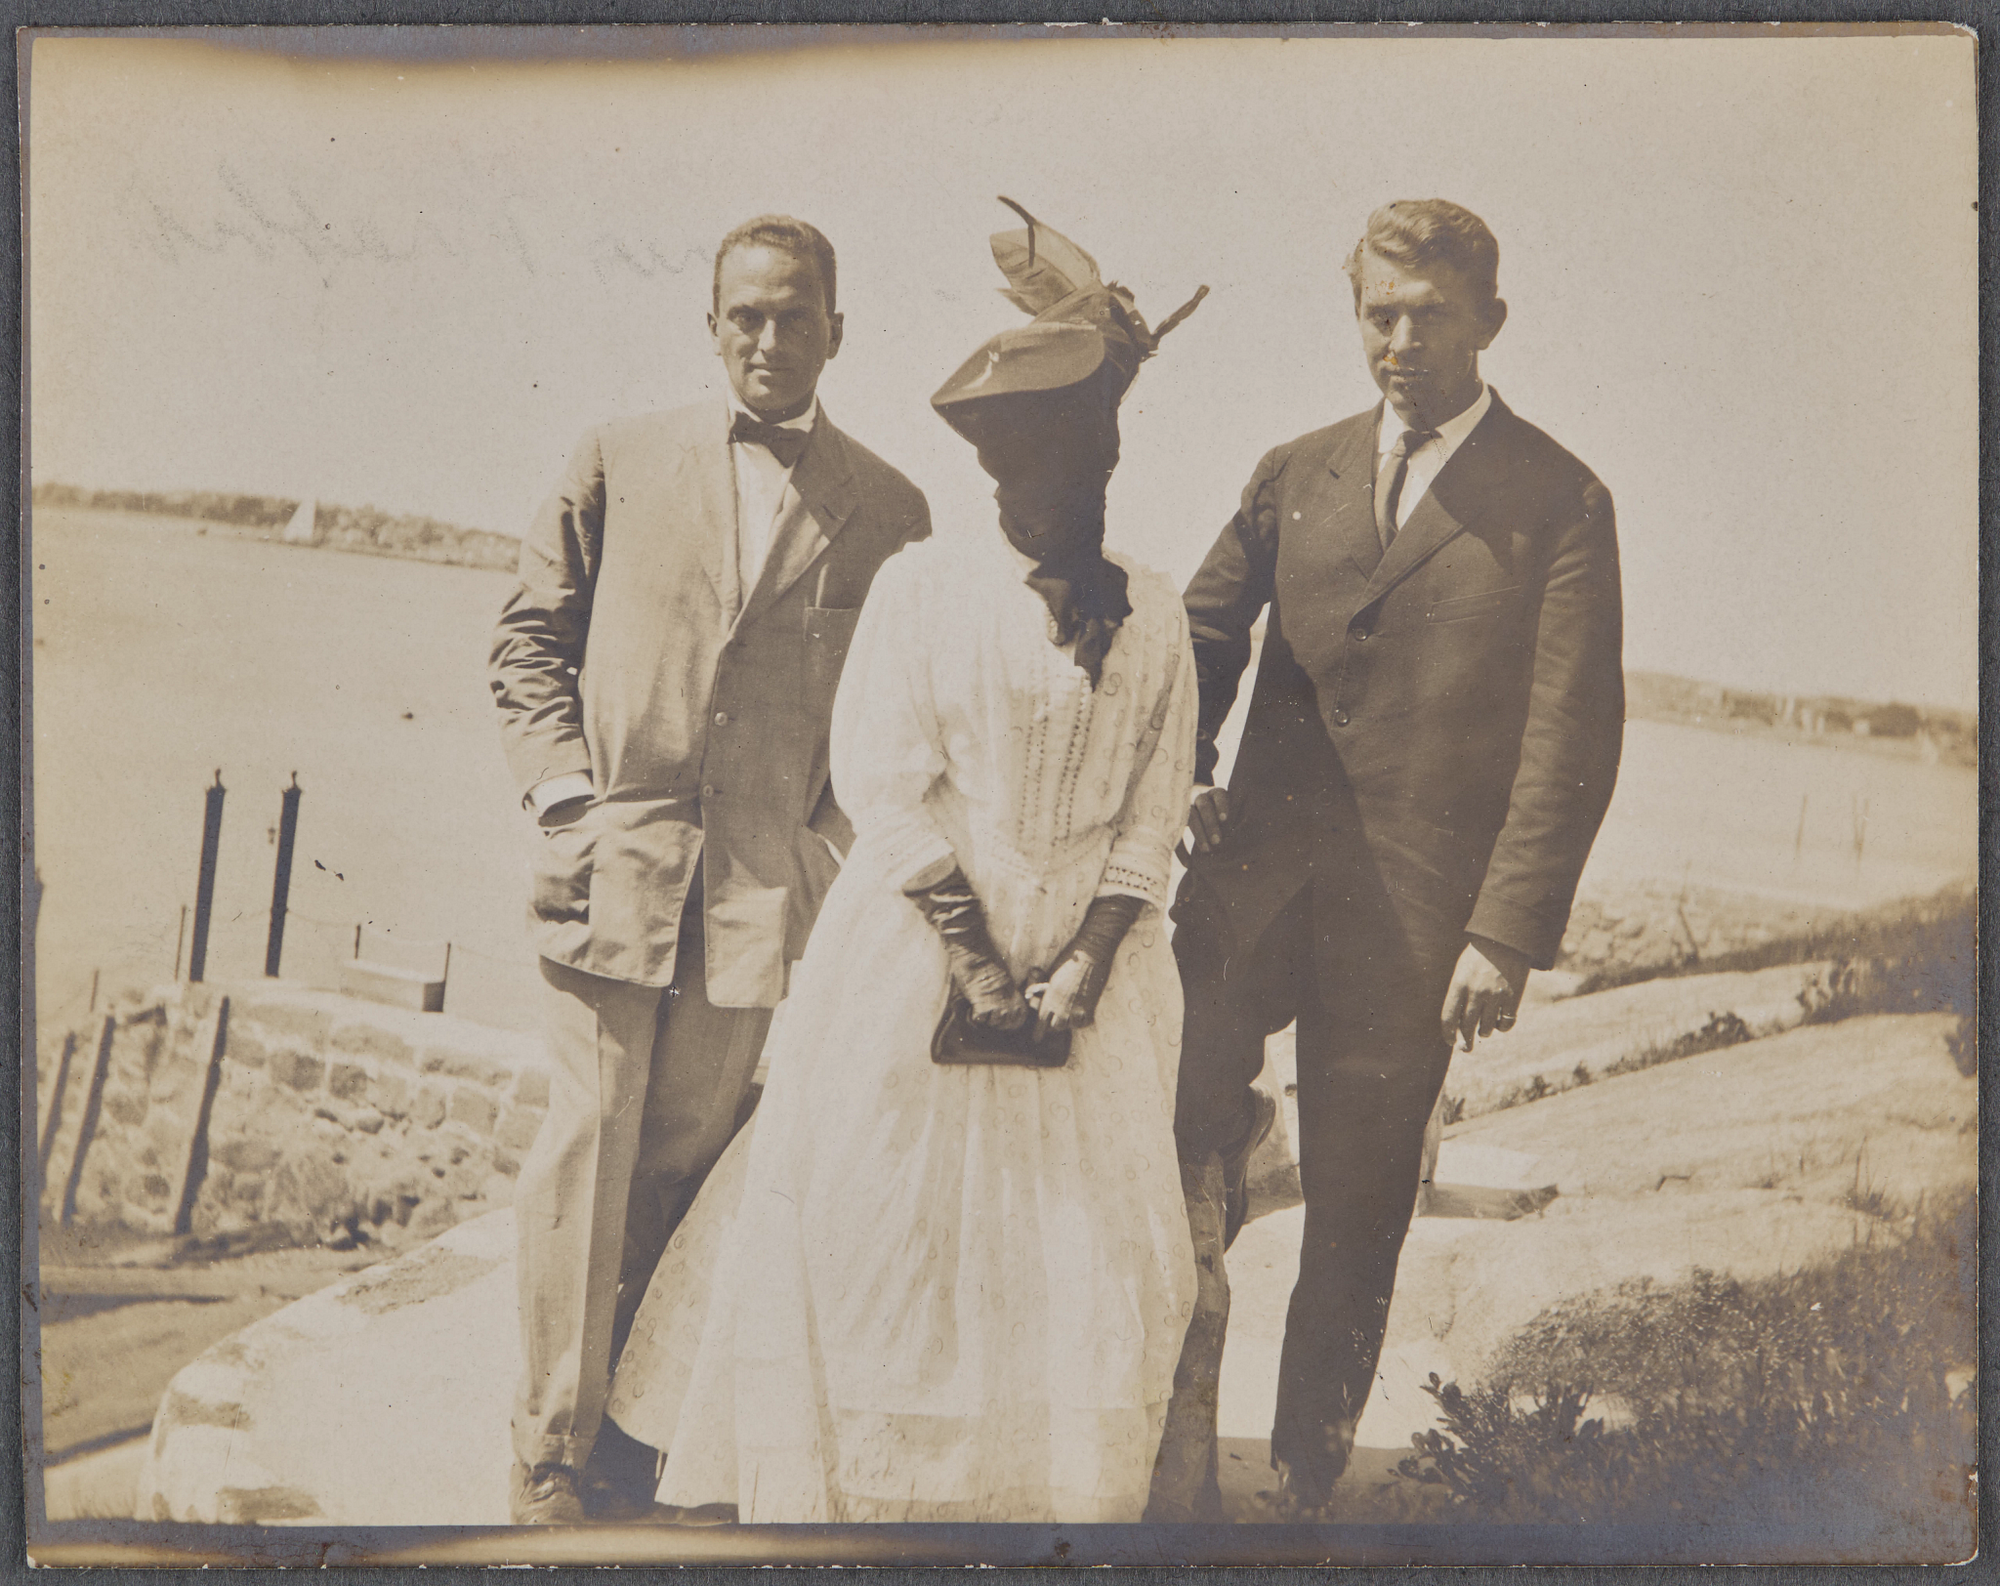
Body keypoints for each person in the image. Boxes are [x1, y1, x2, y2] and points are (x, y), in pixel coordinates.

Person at [603, 202, 1209, 1523]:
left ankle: (1019, 1506)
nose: (1035, 480)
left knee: (1085, 1259)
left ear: (1106, 447)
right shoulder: (928, 589)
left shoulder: (1155, 612)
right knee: (883, 1236)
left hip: (1088, 989)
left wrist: (1079, 973)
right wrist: (980, 965)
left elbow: (1148, 822)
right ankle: (866, 1499)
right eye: (1012, 454)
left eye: (1066, 447)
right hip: (925, 957)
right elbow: (883, 782)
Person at [1168, 199, 1624, 1516]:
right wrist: (1180, 771)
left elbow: (1571, 736)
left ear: (1490, 319)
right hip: (1245, 896)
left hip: (1417, 931)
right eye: (1380, 312)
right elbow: (1195, 639)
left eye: (1430, 313)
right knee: (1169, 1138)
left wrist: (1504, 932)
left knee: (1359, 1210)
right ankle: (1161, 1445)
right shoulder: (1291, 470)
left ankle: (1306, 1484)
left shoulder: (1560, 500)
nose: (1402, 340)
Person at [488, 214, 931, 1523]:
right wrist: (566, 798)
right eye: (745, 313)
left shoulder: (894, 509)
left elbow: (893, 717)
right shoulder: (618, 456)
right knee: (586, 1145)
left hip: (755, 898)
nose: (769, 338)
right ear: (711, 322)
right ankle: (550, 1451)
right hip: (611, 870)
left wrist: (827, 846)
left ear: (836, 330)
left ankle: (631, 1422)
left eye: (796, 314)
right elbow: (528, 637)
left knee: (686, 1158)